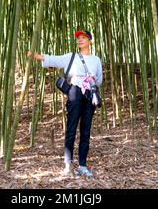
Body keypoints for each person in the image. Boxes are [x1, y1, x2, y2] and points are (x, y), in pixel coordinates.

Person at [27, 29, 103, 178]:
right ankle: (68, 164)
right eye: (78, 38)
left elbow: (99, 79)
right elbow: (52, 59)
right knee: (71, 128)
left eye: (83, 38)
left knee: (86, 131)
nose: (80, 40)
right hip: (75, 92)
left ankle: (82, 165)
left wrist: (89, 83)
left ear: (90, 41)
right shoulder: (72, 56)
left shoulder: (96, 60)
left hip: (90, 95)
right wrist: (33, 55)